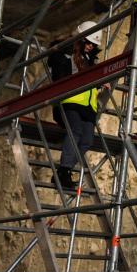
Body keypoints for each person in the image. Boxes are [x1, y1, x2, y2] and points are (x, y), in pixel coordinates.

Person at [48, 21, 103, 190]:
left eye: (93, 45)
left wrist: (101, 82)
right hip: (69, 103)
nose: (90, 47)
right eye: (88, 42)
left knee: (87, 140)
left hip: (87, 107)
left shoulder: (91, 61)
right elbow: (59, 75)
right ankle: (64, 171)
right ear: (80, 39)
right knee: (76, 131)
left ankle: (64, 171)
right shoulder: (64, 54)